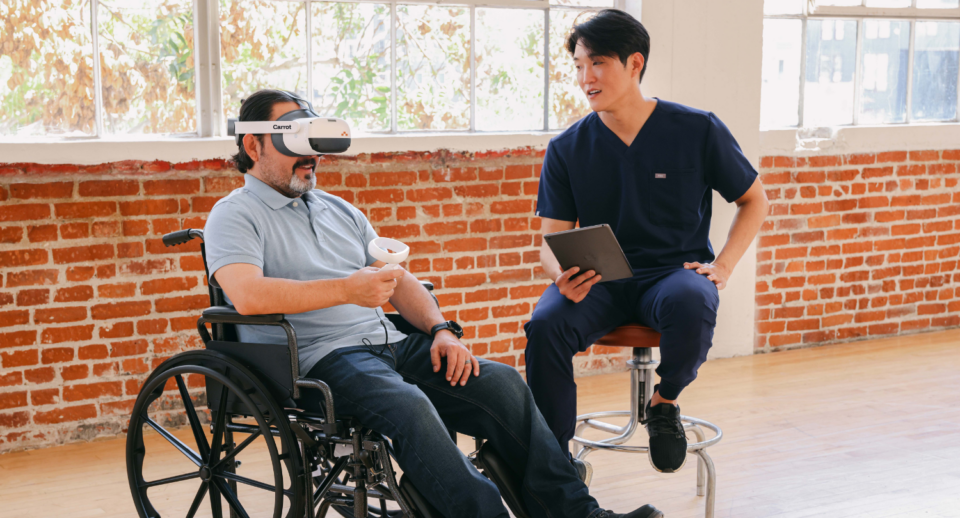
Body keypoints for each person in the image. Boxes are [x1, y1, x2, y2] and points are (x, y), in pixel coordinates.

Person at [203, 89, 663, 518]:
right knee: (411, 406)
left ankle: (575, 513)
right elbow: (247, 295)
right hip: (318, 359)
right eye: (294, 141)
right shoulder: (234, 214)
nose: (312, 157)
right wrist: (347, 290)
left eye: (313, 141)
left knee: (501, 383)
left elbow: (400, 282)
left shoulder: (338, 209)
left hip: (388, 342)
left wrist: (443, 331)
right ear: (254, 146)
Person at [524, 10, 769, 474]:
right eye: (578, 65)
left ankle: (663, 402)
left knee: (695, 298)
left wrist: (724, 266)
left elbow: (754, 200)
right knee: (546, 324)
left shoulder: (697, 130)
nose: (585, 77)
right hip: (599, 282)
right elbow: (549, 242)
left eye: (597, 63)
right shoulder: (567, 147)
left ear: (634, 63)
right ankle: (553, 464)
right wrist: (561, 276)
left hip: (671, 277)